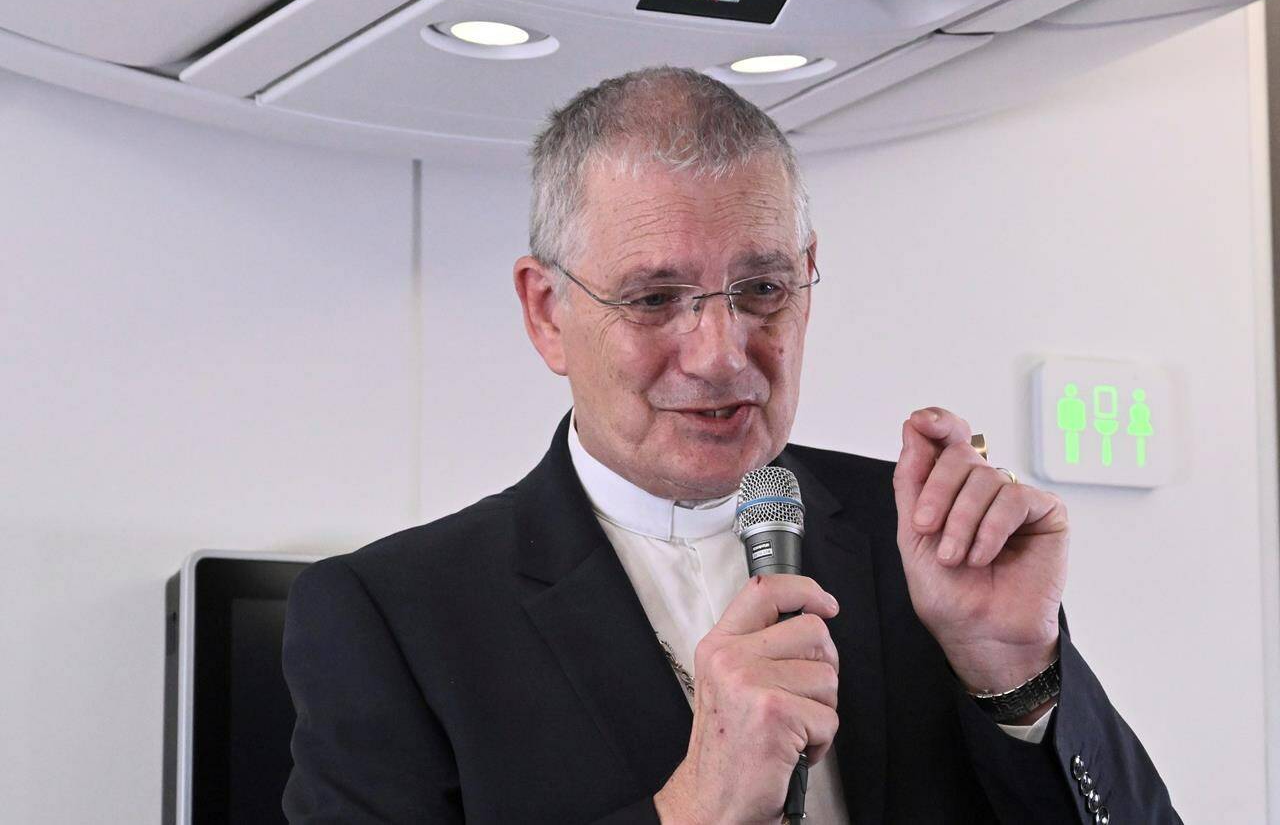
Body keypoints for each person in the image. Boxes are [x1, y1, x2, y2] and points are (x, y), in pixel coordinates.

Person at [282, 66, 1178, 824]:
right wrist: (694, 807)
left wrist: (1017, 677)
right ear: (547, 312)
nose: (721, 354)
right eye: (655, 298)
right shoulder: (391, 617)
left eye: (761, 288)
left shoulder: (926, 542)